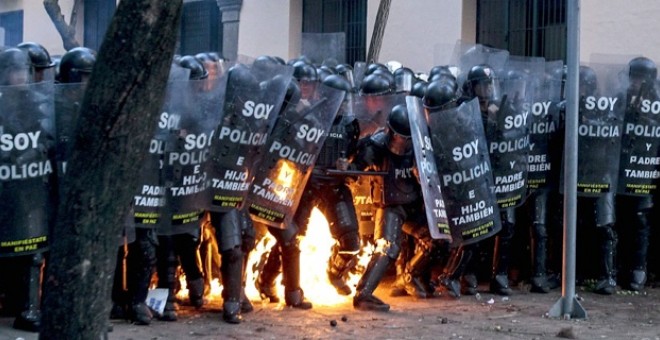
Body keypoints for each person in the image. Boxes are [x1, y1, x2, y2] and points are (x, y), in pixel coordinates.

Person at [351, 104, 426, 311]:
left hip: (412, 205)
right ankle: (363, 294)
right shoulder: (376, 146)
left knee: (438, 238)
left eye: (410, 138)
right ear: (391, 133)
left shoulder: (419, 145)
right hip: (390, 206)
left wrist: (423, 175)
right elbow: (356, 168)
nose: (407, 143)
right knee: (387, 247)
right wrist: (350, 168)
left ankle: (408, 276)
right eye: (403, 138)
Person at [616, 56, 659, 291]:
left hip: (646, 171)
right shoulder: (621, 99)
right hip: (621, 170)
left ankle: (639, 268)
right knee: (621, 219)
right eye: (633, 77)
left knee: (641, 219)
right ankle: (620, 268)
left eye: (640, 78)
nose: (635, 82)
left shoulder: (657, 103)